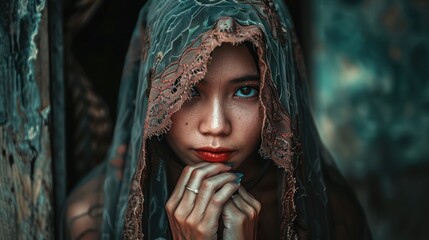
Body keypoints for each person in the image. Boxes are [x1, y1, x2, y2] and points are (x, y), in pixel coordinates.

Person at [65, 0, 371, 239]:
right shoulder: (93, 218)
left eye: (247, 91)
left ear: (276, 96)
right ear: (152, 94)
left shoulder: (327, 213)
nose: (216, 126)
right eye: (185, 91)